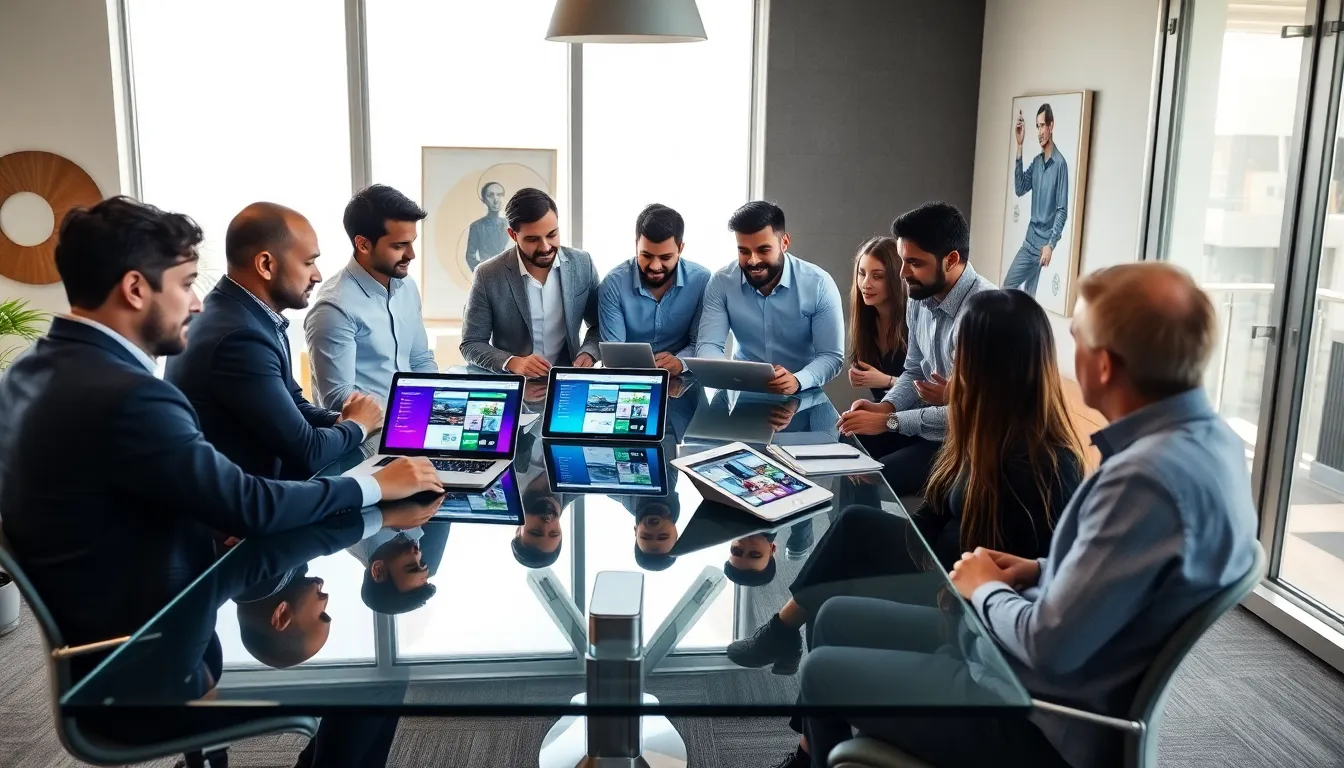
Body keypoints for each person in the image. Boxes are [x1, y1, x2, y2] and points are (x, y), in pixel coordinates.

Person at [0, 197, 443, 766]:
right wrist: (377, 486)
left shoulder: (33, 371)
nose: (195, 304)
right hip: (154, 658)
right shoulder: (128, 395)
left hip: (123, 630)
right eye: (185, 284)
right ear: (135, 289)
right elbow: (252, 506)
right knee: (380, 674)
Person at [784, 263, 1259, 768]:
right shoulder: (1212, 445)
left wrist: (985, 588)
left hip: (1031, 711)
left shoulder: (1143, 482)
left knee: (821, 672)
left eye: (1077, 339)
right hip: (1031, 666)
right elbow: (1125, 579)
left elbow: (1049, 644)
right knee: (832, 617)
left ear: (1104, 365)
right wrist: (1039, 569)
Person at [728, 288, 1084, 679]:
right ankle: (784, 635)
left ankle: (786, 642)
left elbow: (1002, 575)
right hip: (937, 558)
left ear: (991, 367)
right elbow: (941, 505)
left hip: (957, 597)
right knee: (854, 526)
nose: (954, 368)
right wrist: (915, 535)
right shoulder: (988, 428)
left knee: (834, 590)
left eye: (961, 355)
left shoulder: (1042, 467)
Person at [166, 202, 382, 480]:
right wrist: (358, 425)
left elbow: (292, 402)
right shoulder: (241, 338)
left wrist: (340, 419)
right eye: (308, 262)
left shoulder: (242, 313)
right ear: (266, 265)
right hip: (244, 501)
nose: (317, 275)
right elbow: (309, 453)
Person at [837, 202, 995, 496]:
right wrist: (885, 407)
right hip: (927, 427)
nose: (902, 273)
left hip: (966, 442)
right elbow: (913, 371)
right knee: (849, 440)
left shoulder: (984, 313)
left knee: (878, 476)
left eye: (914, 263)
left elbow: (970, 414)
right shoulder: (918, 298)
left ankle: (868, 522)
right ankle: (857, 525)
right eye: (902, 260)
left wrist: (889, 421)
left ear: (951, 260)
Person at [304, 184, 438, 433]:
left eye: (412, 243)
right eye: (399, 246)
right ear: (363, 245)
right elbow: (337, 397)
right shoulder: (334, 308)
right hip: (366, 436)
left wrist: (432, 409)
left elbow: (419, 360)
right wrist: (406, 415)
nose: (411, 254)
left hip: (413, 426)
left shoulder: (407, 286)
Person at [696, 201, 844, 393]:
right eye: (744, 251)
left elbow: (831, 356)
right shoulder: (721, 282)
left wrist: (798, 380)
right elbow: (708, 345)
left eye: (763, 250)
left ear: (784, 243)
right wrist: (729, 375)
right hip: (741, 391)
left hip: (802, 392)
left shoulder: (819, 284)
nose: (753, 260)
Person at [460, 187, 601, 376]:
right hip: (514, 383)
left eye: (552, 235)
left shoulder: (583, 264)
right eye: (533, 239)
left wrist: (589, 352)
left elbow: (600, 324)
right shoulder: (488, 275)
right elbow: (471, 343)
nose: (545, 247)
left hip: (565, 381)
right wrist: (511, 362)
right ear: (513, 235)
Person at [598, 203, 711, 376]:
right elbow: (614, 354)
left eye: (665, 257)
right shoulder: (613, 284)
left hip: (683, 377)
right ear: (636, 245)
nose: (655, 266)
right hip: (630, 377)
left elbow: (701, 344)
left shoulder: (701, 281)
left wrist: (681, 362)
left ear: (680, 248)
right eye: (646, 255)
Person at [1003, 103, 1069, 296]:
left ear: (1051, 126)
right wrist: (1019, 146)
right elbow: (1020, 188)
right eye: (1037, 126)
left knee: (1008, 290)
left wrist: (1051, 245)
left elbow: (1062, 210)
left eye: (1042, 126)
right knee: (1025, 297)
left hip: (1041, 248)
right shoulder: (1037, 163)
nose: (1039, 132)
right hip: (1029, 241)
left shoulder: (1060, 165)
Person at [845, 236, 909, 399]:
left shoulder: (914, 322)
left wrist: (888, 381)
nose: (865, 284)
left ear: (896, 279)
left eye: (877, 276)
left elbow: (931, 392)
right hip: (882, 409)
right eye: (862, 274)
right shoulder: (866, 322)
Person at [465, 181, 510, 272]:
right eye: (490, 195)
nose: (496, 200)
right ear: (484, 200)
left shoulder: (511, 224)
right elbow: (470, 256)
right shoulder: (477, 226)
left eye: (499, 195)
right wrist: (483, 273)